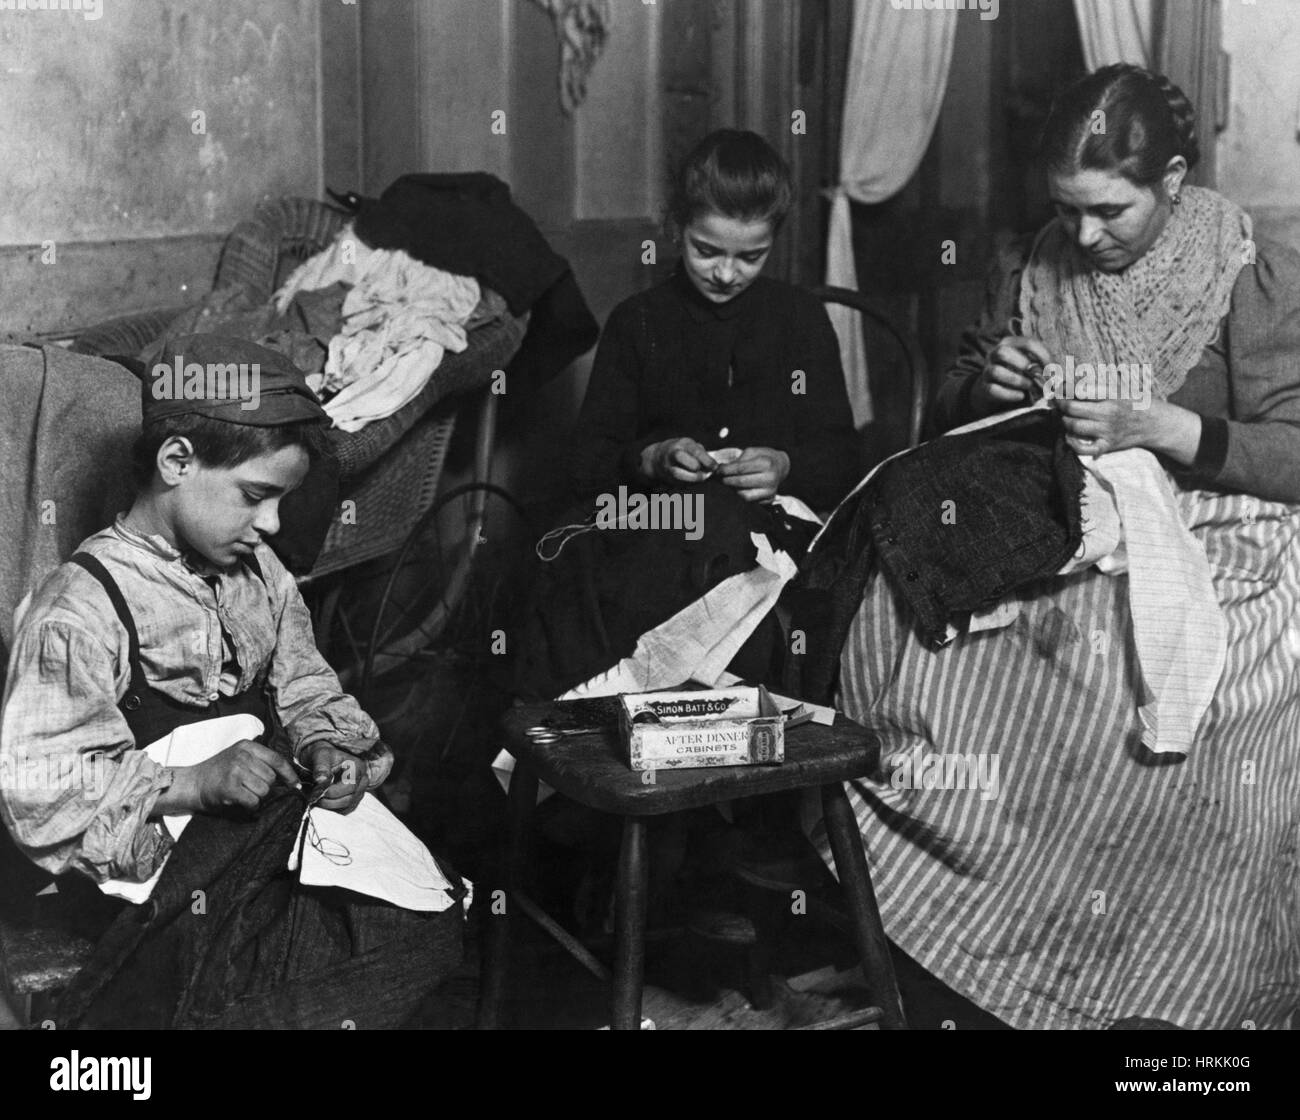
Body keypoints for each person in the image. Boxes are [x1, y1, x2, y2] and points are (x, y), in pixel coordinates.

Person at [813, 64, 1300, 1029]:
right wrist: (986, 387)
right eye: (1066, 211)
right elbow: (952, 409)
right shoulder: (1032, 262)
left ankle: (1149, 985)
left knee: (1116, 681)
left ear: (1172, 178)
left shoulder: (1249, 270)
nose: (1083, 237)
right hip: (1055, 516)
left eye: (1110, 212)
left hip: (1218, 524)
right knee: (915, 645)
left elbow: (1291, 453)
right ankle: (972, 954)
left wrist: (1164, 428)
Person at [0, 334, 462, 1029]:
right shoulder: (80, 609)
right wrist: (191, 783)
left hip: (260, 841)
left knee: (423, 924)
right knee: (294, 961)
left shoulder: (262, 576)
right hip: (143, 879)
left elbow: (306, 686)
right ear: (177, 461)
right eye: (255, 496)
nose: (272, 524)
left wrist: (323, 748)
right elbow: (40, 790)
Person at [570, 127, 858, 514]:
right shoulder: (637, 322)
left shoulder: (801, 319)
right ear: (676, 227)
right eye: (706, 251)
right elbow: (585, 466)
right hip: (663, 527)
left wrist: (785, 467)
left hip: (772, 531)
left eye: (750, 257)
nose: (725, 274)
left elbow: (843, 461)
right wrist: (652, 459)